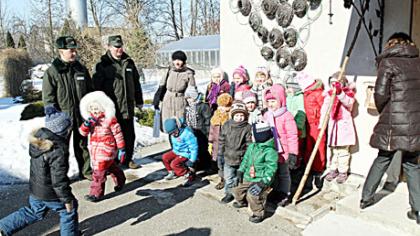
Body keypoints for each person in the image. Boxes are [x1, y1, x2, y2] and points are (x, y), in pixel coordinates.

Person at [360, 32, 420, 225]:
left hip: (393, 121)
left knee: (382, 159)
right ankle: (418, 210)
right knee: (412, 165)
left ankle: (366, 198)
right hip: (415, 122)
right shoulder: (418, 62)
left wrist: (385, 111)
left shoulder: (388, 62)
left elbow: (379, 94)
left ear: (391, 44)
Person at [0, 109, 79, 236]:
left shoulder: (38, 142)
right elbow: (58, 181)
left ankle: (3, 227)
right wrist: (67, 199)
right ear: (64, 131)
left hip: (36, 189)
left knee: (35, 211)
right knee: (68, 211)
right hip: (49, 192)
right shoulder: (58, 150)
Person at [42, 35, 93, 180]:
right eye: (71, 50)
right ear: (61, 51)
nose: (74, 53)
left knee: (82, 145)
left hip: (81, 115)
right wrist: (53, 114)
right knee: (61, 149)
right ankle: (61, 176)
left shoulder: (80, 69)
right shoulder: (52, 72)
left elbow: (90, 91)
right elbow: (48, 96)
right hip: (62, 118)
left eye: (75, 50)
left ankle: (86, 171)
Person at [92, 35, 144, 169]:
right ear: (109, 47)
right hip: (111, 109)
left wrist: (139, 100)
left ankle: (128, 159)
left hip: (127, 106)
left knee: (129, 135)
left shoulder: (129, 63)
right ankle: (113, 163)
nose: (119, 49)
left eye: (120, 46)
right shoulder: (102, 65)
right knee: (113, 137)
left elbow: (136, 83)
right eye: (116, 47)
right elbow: (96, 88)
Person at [79, 91, 126, 202]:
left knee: (98, 172)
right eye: (92, 109)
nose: (94, 112)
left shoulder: (110, 120)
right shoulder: (91, 121)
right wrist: (86, 125)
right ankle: (120, 179)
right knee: (111, 167)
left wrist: (121, 148)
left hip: (107, 149)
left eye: (97, 109)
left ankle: (96, 194)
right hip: (95, 150)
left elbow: (118, 134)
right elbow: (82, 133)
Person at [232, 122, 278, 223]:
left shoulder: (270, 151)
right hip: (248, 175)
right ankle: (241, 201)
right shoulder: (252, 147)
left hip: (260, 179)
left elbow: (271, 169)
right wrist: (240, 170)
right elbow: (245, 160)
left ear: (260, 136)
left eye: (253, 134)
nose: (251, 136)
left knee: (253, 194)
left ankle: (258, 213)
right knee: (236, 187)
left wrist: (263, 182)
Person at [263, 84, 299, 205]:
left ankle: (284, 193)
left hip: (284, 152)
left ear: (281, 100)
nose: (271, 104)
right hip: (271, 151)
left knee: (284, 173)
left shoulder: (286, 116)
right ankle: (276, 190)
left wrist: (293, 153)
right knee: (274, 172)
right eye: (268, 101)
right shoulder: (267, 115)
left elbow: (292, 136)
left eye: (273, 101)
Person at [320, 72, 356, 184]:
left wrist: (340, 92)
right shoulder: (329, 95)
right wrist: (322, 125)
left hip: (343, 129)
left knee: (343, 152)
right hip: (333, 129)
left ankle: (342, 172)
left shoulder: (348, 94)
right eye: (332, 84)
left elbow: (348, 103)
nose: (333, 86)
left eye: (336, 84)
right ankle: (333, 170)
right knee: (334, 151)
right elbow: (324, 110)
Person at [218, 100, 252, 203]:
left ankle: (238, 194)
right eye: (237, 115)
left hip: (240, 158)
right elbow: (221, 139)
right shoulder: (227, 125)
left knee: (238, 178)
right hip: (228, 157)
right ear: (233, 115)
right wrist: (220, 152)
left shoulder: (247, 127)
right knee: (228, 177)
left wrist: (246, 157)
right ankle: (228, 193)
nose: (239, 118)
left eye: (241, 115)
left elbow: (249, 143)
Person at [296, 72, 326, 189]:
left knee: (318, 147)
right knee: (308, 146)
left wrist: (321, 123)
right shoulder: (306, 93)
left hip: (317, 124)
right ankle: (308, 166)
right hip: (307, 123)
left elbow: (324, 108)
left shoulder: (318, 93)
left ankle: (318, 169)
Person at [153, 50, 197, 124]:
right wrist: (156, 99)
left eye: (180, 60)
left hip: (181, 102)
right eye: (175, 60)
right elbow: (162, 85)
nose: (177, 62)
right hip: (167, 101)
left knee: (179, 125)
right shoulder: (169, 71)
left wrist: (191, 100)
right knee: (168, 125)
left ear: (183, 62)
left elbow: (192, 90)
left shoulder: (188, 73)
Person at [162, 117, 198, 187]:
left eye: (174, 132)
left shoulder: (187, 134)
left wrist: (192, 160)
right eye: (171, 134)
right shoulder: (173, 133)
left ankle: (189, 174)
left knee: (174, 164)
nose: (173, 135)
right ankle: (172, 173)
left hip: (185, 153)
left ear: (178, 127)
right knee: (165, 157)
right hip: (177, 151)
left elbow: (194, 148)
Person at [208, 93, 233, 189]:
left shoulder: (230, 116)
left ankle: (228, 180)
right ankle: (222, 179)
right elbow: (212, 130)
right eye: (221, 106)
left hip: (227, 145)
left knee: (227, 164)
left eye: (225, 106)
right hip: (217, 144)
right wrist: (210, 142)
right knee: (220, 163)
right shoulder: (216, 116)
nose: (222, 108)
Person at [184, 86, 212, 171]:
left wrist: (208, 133)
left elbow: (208, 120)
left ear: (195, 97)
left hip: (202, 132)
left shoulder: (203, 106)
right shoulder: (187, 108)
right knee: (196, 150)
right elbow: (186, 120)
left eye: (190, 97)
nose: (189, 100)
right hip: (192, 132)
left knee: (203, 150)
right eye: (187, 98)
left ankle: (208, 166)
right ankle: (200, 165)